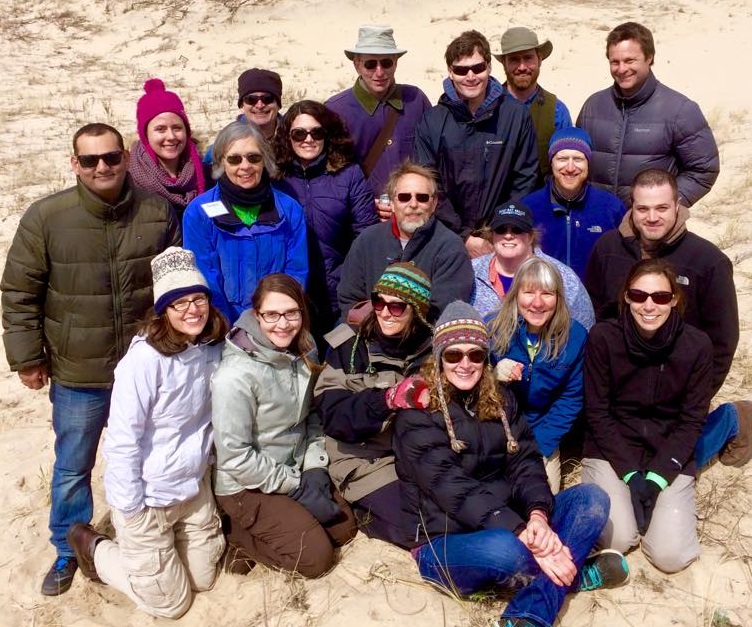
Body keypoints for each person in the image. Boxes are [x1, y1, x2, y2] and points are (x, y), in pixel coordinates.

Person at [0, 122, 180, 596]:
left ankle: (150, 535)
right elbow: (19, 292)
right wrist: (26, 358)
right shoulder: (46, 216)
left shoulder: (157, 210)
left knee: (149, 457)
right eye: (89, 160)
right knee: (73, 464)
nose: (102, 167)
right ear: (73, 163)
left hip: (144, 369)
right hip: (78, 371)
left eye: (111, 157)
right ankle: (67, 547)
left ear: (126, 157)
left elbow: (174, 287)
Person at [393, 300, 629, 627]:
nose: (465, 364)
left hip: (510, 520)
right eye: (453, 355)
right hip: (444, 538)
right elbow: (452, 489)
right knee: (508, 552)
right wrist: (520, 530)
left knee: (591, 499)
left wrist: (537, 516)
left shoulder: (501, 400)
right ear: (438, 358)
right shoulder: (417, 413)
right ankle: (571, 575)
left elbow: (526, 463)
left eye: (475, 354)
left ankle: (532, 606)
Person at [66, 247, 229, 618]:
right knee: (172, 605)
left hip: (193, 488)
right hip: (150, 496)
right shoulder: (144, 362)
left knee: (204, 579)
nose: (192, 310)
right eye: (179, 303)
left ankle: (155, 556)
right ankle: (96, 549)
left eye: (198, 299)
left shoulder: (211, 347)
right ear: (164, 311)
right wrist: (131, 508)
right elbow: (122, 441)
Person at [585, 170, 751, 469]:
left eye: (661, 207)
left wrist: (696, 397)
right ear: (631, 208)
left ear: (678, 206)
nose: (652, 217)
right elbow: (595, 314)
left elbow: (724, 341)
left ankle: (731, 420)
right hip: (620, 386)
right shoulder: (607, 249)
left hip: (677, 388)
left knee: (670, 463)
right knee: (609, 451)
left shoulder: (708, 262)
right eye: (643, 208)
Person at [211, 273, 357, 578]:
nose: (283, 323)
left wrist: (315, 467)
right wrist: (295, 485)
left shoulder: (304, 347)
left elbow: (312, 416)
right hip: (245, 484)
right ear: (256, 315)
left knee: (344, 528)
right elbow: (235, 457)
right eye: (272, 314)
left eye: (291, 313)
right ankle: (238, 533)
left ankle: (281, 522)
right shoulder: (234, 376)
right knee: (316, 559)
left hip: (294, 465)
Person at [582, 259, 716, 573]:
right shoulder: (603, 338)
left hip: (669, 448)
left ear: (674, 300)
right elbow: (598, 413)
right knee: (618, 538)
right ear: (626, 297)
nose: (649, 305)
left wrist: (656, 479)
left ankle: (729, 421)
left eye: (660, 297)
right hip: (611, 447)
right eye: (639, 295)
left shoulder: (697, 346)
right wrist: (631, 475)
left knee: (670, 557)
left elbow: (691, 420)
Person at [314, 263, 433, 546]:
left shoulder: (432, 350)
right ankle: (361, 512)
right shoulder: (348, 347)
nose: (384, 312)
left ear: (416, 310)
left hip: (414, 457)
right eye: (379, 302)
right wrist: (386, 399)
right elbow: (334, 418)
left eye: (397, 307)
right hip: (362, 459)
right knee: (418, 531)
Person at [413, 30, 538, 258]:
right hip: (446, 237)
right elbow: (427, 184)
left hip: (501, 237)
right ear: (450, 72)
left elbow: (525, 178)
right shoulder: (432, 120)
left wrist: (499, 228)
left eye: (478, 68)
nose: (470, 76)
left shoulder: (516, 115)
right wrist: (463, 236)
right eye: (461, 70)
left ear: (489, 67)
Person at [577, 21, 719, 208]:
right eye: (615, 62)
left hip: (650, 229)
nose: (621, 69)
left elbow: (704, 169)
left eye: (629, 60)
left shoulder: (680, 110)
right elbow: (577, 161)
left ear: (649, 57)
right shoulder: (593, 105)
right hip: (598, 223)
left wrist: (661, 208)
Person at [183, 120, 308, 325]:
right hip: (222, 327)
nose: (245, 166)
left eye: (254, 157)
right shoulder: (199, 213)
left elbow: (296, 272)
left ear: (264, 161)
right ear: (221, 162)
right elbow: (204, 276)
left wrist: (273, 321)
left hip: (276, 325)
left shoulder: (289, 209)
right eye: (234, 159)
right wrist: (227, 327)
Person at [274, 99, 378, 338]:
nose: (308, 139)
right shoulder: (276, 178)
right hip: (292, 291)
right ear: (287, 137)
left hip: (340, 290)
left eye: (316, 132)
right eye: (299, 133)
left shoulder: (348, 174)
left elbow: (365, 234)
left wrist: (352, 282)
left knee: (338, 358)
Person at [488, 257, 588, 493]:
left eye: (547, 294)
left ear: (559, 298)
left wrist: (541, 445)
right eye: (529, 292)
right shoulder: (494, 328)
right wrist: (492, 374)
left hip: (542, 429)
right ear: (516, 295)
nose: (537, 303)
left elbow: (571, 397)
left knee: (544, 496)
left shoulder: (574, 336)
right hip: (497, 427)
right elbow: (468, 382)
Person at [337, 162, 473, 322]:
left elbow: (444, 312)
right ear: (392, 204)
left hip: (424, 342)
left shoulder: (451, 248)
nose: (413, 204)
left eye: (422, 198)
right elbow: (349, 299)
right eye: (404, 197)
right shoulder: (367, 241)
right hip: (368, 334)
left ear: (434, 203)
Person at [326, 25, 431, 211]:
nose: (380, 72)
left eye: (386, 63)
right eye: (370, 64)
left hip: (415, 213)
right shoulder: (335, 110)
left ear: (396, 62)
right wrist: (365, 205)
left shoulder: (416, 100)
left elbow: (434, 159)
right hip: (363, 219)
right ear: (357, 64)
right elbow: (330, 177)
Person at [470, 200, 594, 330]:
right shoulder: (470, 271)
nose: (508, 235)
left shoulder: (563, 276)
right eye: (501, 229)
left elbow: (584, 328)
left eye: (517, 229)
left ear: (530, 237)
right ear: (492, 235)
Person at [523, 128, 626, 280]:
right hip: (544, 298)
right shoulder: (529, 207)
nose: (570, 168)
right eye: (562, 159)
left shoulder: (611, 208)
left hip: (595, 300)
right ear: (551, 163)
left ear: (588, 164)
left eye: (578, 159)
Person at [494, 27, 572, 179]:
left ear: (539, 59)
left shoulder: (557, 110)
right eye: (514, 59)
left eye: (528, 58)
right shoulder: (487, 107)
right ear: (504, 63)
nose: (522, 67)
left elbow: (566, 166)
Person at [129, 78, 206, 218]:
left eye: (177, 128)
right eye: (160, 129)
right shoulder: (131, 181)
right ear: (145, 135)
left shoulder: (204, 171)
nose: (171, 136)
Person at [202, 68, 284, 179]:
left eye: (267, 99)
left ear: (278, 104)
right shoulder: (226, 143)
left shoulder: (296, 137)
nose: (259, 105)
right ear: (242, 105)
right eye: (251, 99)